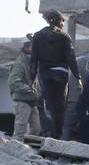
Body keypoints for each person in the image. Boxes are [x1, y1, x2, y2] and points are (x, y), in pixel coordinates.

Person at [30, 10, 79, 138]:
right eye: (63, 21)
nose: (63, 24)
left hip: (45, 74)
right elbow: (71, 58)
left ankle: (48, 134)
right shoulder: (64, 36)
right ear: (58, 20)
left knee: (47, 105)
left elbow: (33, 59)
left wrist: (32, 79)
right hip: (61, 75)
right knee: (60, 106)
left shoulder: (38, 35)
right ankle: (58, 136)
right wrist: (78, 77)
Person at [8, 38, 42, 137]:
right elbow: (13, 83)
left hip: (31, 100)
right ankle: (15, 150)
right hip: (23, 100)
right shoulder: (20, 63)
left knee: (36, 130)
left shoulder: (31, 63)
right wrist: (30, 89)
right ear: (27, 47)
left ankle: (28, 150)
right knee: (19, 132)